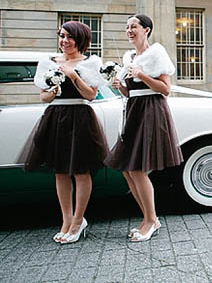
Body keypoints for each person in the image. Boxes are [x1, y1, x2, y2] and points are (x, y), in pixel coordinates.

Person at [18, 21, 108, 244]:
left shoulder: (90, 63)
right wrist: (53, 90)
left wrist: (73, 75)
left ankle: (79, 221)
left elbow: (90, 96)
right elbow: (43, 97)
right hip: (56, 117)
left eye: (70, 37)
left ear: (81, 40)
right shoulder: (48, 63)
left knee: (80, 171)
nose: (64, 41)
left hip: (80, 117)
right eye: (61, 36)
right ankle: (66, 220)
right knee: (60, 171)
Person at [105, 14, 183, 242]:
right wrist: (120, 86)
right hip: (133, 111)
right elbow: (130, 92)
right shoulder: (129, 56)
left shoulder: (156, 53)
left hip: (151, 111)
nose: (129, 31)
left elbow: (165, 89)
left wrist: (141, 75)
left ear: (146, 30)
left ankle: (151, 220)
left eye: (134, 27)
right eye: (127, 27)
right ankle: (148, 217)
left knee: (137, 168)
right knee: (127, 169)